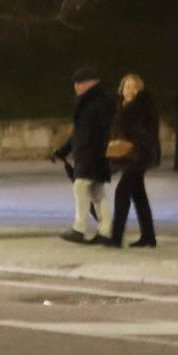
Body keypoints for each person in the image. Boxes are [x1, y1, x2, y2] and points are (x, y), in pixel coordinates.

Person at [51, 66, 115, 244]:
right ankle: (106, 231)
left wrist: (93, 151)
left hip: (92, 154)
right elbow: (78, 133)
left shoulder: (98, 104)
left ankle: (79, 228)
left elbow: (96, 132)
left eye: (79, 83)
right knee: (96, 192)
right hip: (90, 154)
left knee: (81, 187)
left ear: (90, 83)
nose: (76, 86)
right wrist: (63, 151)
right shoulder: (90, 102)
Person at [108, 73, 160, 248]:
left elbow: (146, 134)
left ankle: (116, 237)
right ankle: (149, 236)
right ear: (122, 89)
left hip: (139, 155)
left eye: (134, 87)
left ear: (140, 90)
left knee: (122, 192)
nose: (129, 90)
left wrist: (131, 143)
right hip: (129, 155)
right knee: (138, 195)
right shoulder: (121, 106)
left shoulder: (143, 108)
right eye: (127, 86)